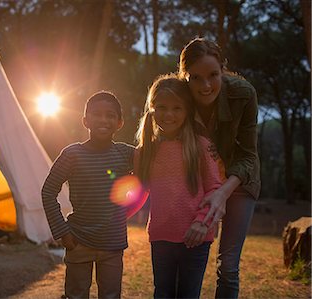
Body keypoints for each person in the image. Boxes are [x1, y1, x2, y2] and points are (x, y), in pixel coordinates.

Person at [178, 37, 260, 298]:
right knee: (186, 256)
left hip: (239, 181)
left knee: (228, 265)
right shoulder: (176, 94)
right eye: (196, 78)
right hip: (197, 179)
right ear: (184, 76)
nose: (205, 86)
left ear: (223, 69)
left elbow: (248, 155)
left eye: (213, 75)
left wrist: (222, 193)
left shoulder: (243, 94)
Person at [134, 74, 222, 298]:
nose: (169, 114)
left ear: (187, 110)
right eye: (162, 107)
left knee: (188, 294)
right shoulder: (145, 151)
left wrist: (202, 223)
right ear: (152, 109)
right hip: (161, 236)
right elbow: (136, 190)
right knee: (162, 293)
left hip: (196, 237)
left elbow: (215, 189)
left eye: (177, 108)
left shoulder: (202, 146)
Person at [42, 91, 134, 299]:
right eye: (97, 114)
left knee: (111, 295)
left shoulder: (126, 153)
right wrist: (62, 231)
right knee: (76, 295)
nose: (103, 119)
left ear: (120, 123)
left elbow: (151, 165)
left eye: (110, 115)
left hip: (113, 243)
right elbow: (48, 191)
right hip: (78, 240)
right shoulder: (72, 154)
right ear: (85, 120)